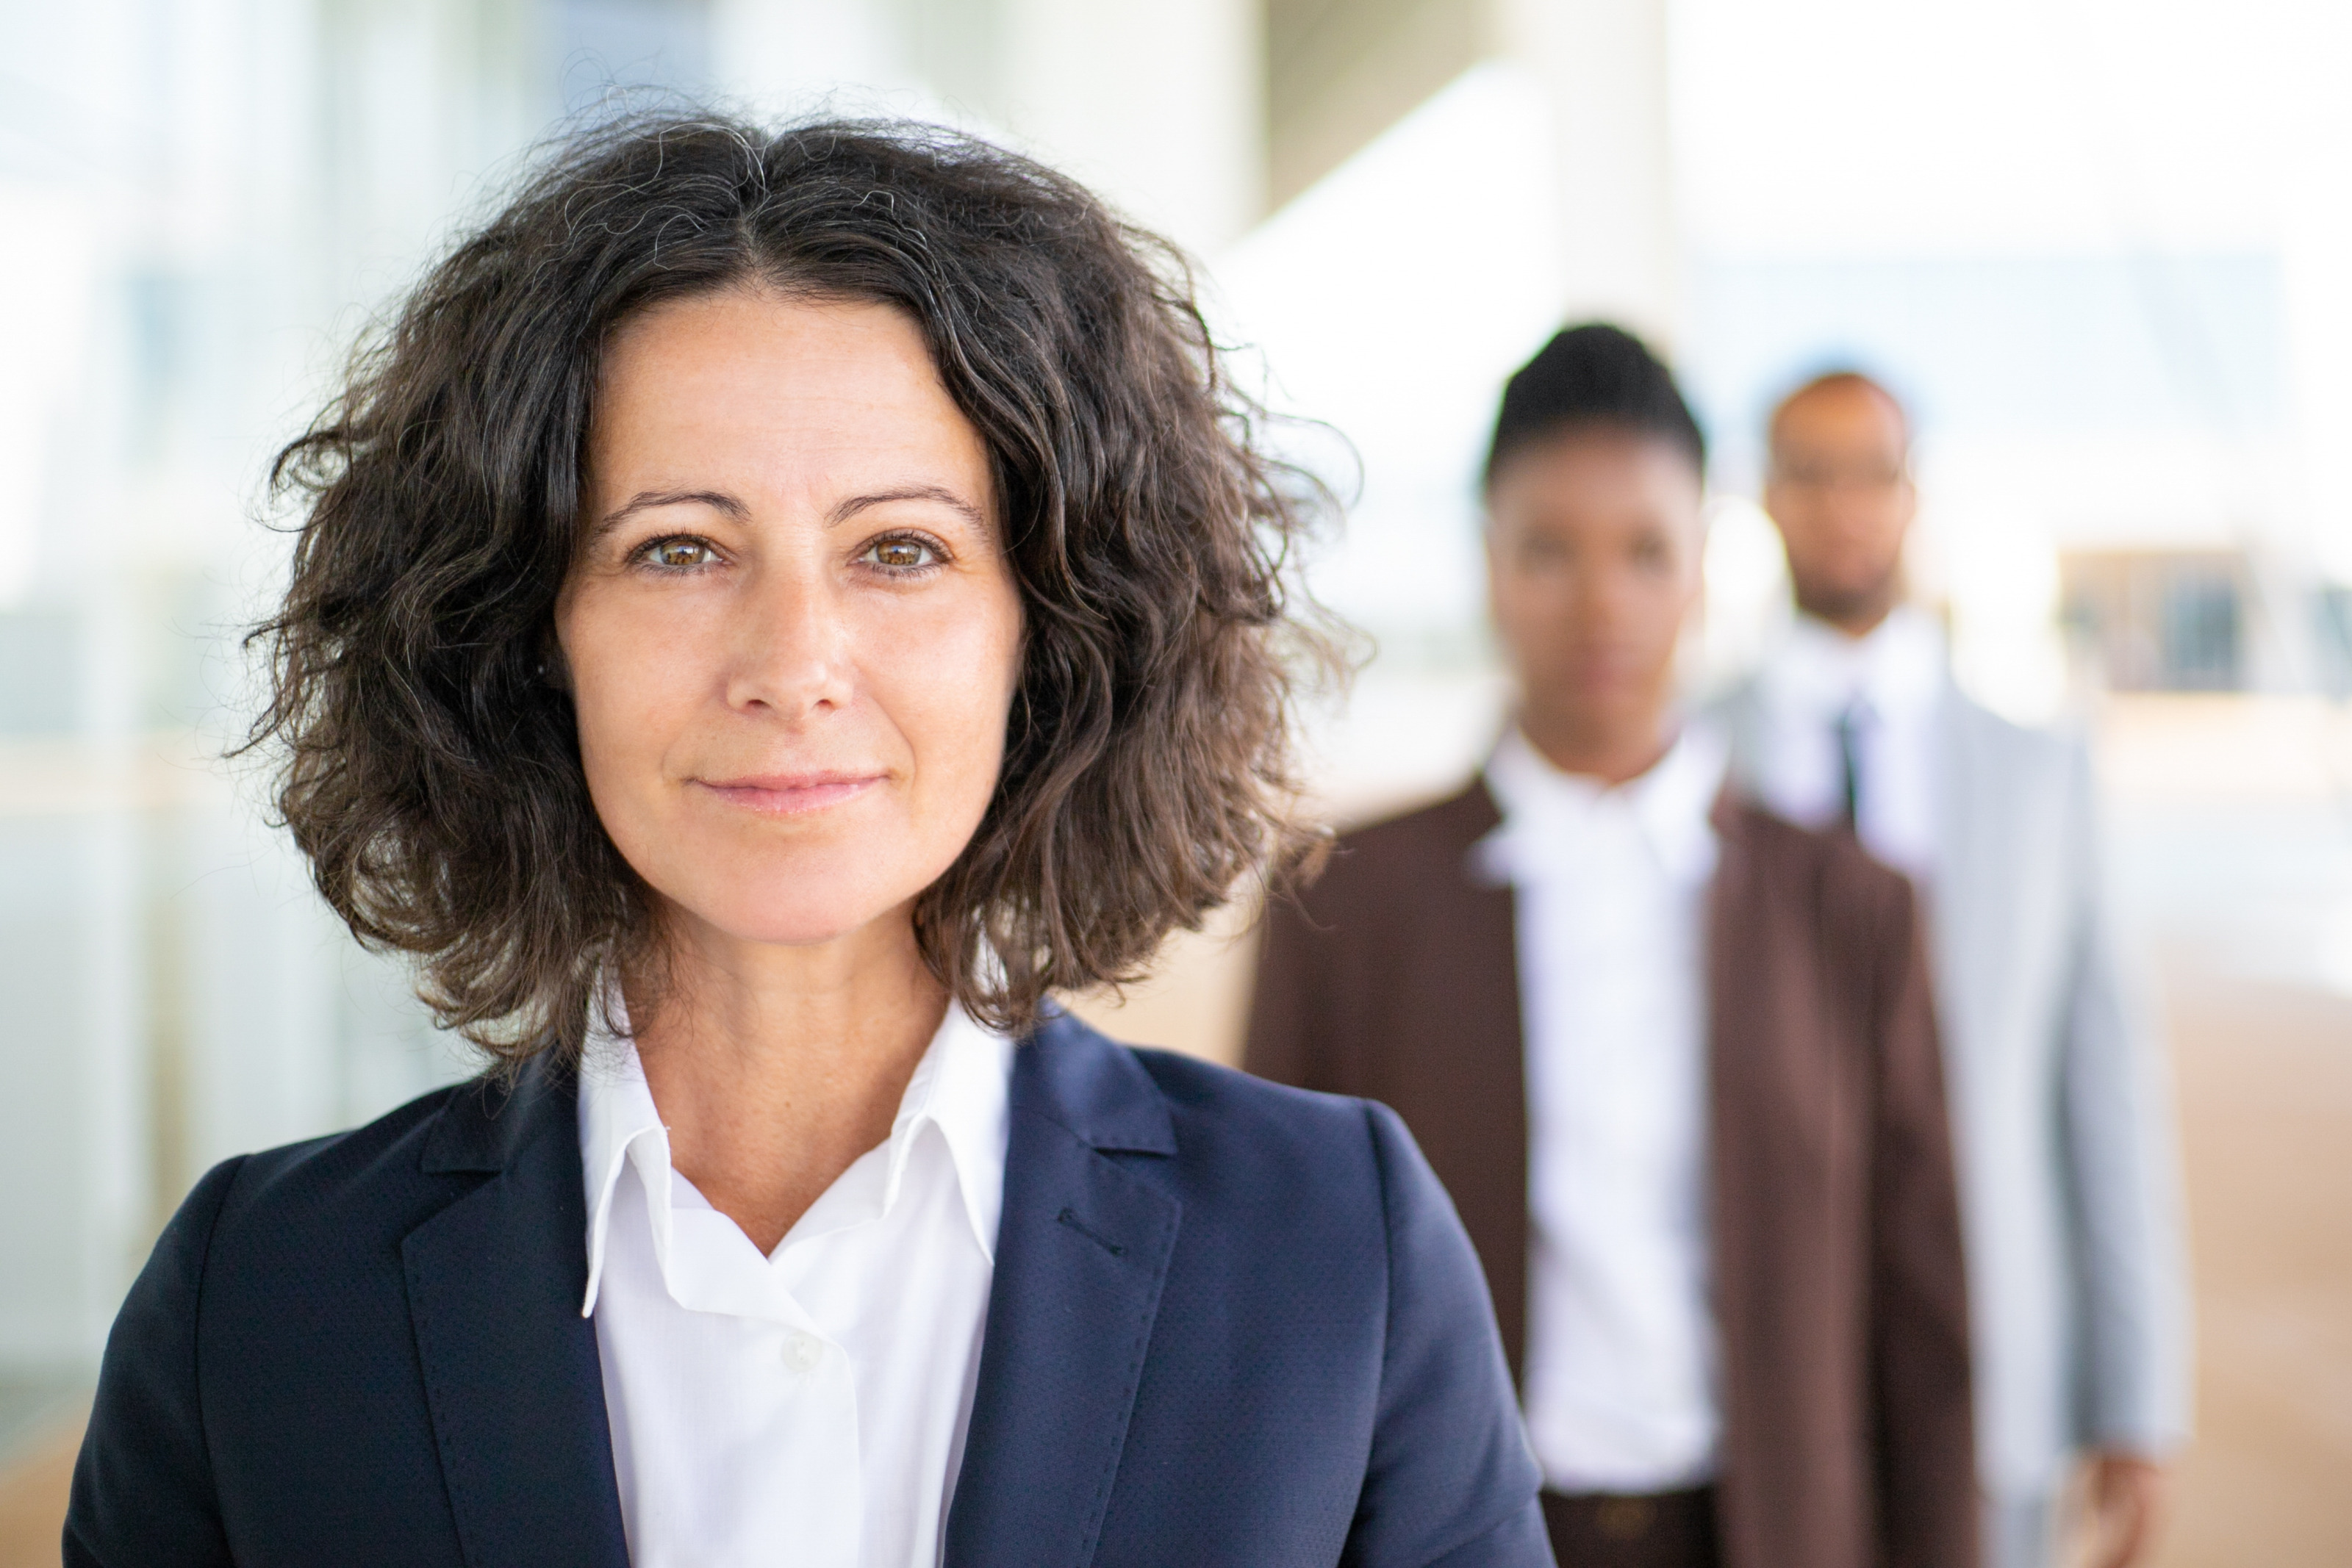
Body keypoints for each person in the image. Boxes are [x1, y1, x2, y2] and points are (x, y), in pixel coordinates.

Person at [65, 115, 1551, 1568]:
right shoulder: (257, 1299)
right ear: (528, 632)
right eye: (680, 548)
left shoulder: (1333, 1247)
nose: (794, 661)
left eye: (899, 549)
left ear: (1046, 633)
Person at [1246, 325, 1976, 1568]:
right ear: (1487, 565)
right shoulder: (1347, 903)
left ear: (1701, 568)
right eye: (1549, 549)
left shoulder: (1850, 905)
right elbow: (1271, 1290)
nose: (1601, 603)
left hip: (1772, 1532)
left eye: (1646, 551)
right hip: (1451, 1535)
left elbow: (1922, 1317)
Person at [1717, 371, 2192, 1568]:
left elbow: (2105, 1087)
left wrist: (2137, 1397)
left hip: (1996, 1374)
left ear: (1913, 492)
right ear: (1766, 496)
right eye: (1808, 472)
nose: (1842, 506)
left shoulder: (2043, 773)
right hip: (1750, 1381)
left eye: (1869, 471)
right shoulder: (1690, 757)